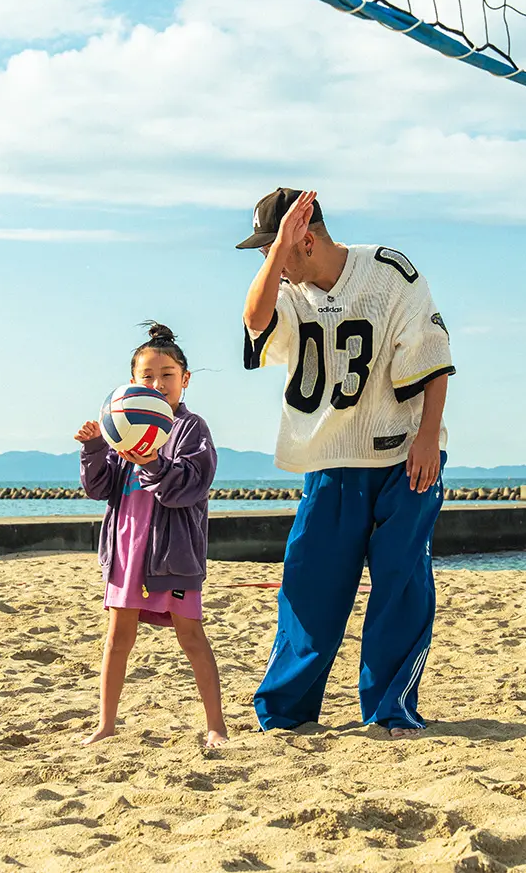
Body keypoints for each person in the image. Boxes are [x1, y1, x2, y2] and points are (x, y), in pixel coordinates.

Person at [238, 187, 454, 739]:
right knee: (310, 585)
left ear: (306, 240)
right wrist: (277, 253)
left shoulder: (390, 273)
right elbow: (254, 318)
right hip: (330, 460)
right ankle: (285, 713)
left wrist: (428, 437)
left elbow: (433, 357)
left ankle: (390, 709)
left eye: (276, 250)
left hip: (404, 454)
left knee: (400, 586)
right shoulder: (284, 290)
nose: (271, 263)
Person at [76, 323, 226, 748]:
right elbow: (99, 488)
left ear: (185, 379)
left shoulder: (192, 429)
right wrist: (92, 449)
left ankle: (215, 725)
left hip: (173, 554)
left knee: (191, 636)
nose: (157, 384)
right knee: (117, 637)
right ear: (132, 381)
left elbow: (189, 487)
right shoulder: (121, 425)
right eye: (147, 376)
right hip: (126, 551)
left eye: (167, 375)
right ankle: (106, 723)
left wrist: (153, 462)